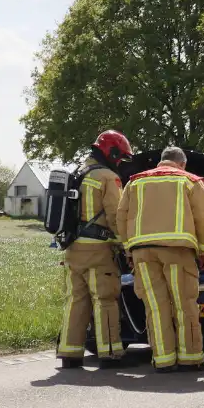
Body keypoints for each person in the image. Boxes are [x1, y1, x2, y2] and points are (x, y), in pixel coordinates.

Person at [116, 147, 204, 373]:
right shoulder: (190, 181)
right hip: (178, 252)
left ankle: (163, 360)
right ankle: (190, 359)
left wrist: (128, 251)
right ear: (183, 163)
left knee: (155, 307)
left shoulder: (134, 183)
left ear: (161, 162)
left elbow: (121, 218)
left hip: (143, 253)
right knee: (184, 305)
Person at [56, 130, 133, 370]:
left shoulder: (78, 174)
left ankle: (70, 353)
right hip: (99, 250)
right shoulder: (108, 177)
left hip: (73, 248)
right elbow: (115, 216)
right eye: (119, 157)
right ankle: (110, 353)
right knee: (105, 299)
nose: (119, 162)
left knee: (76, 300)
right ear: (110, 152)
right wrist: (126, 245)